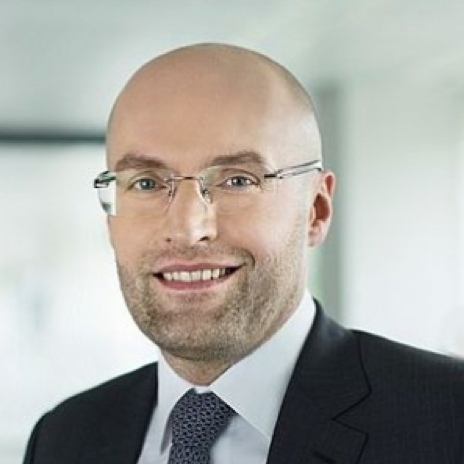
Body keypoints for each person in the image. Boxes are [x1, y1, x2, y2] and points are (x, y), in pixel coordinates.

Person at [23, 43, 464, 464]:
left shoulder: (447, 419)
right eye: (146, 183)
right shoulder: (64, 438)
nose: (187, 229)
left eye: (237, 180)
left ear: (316, 209)